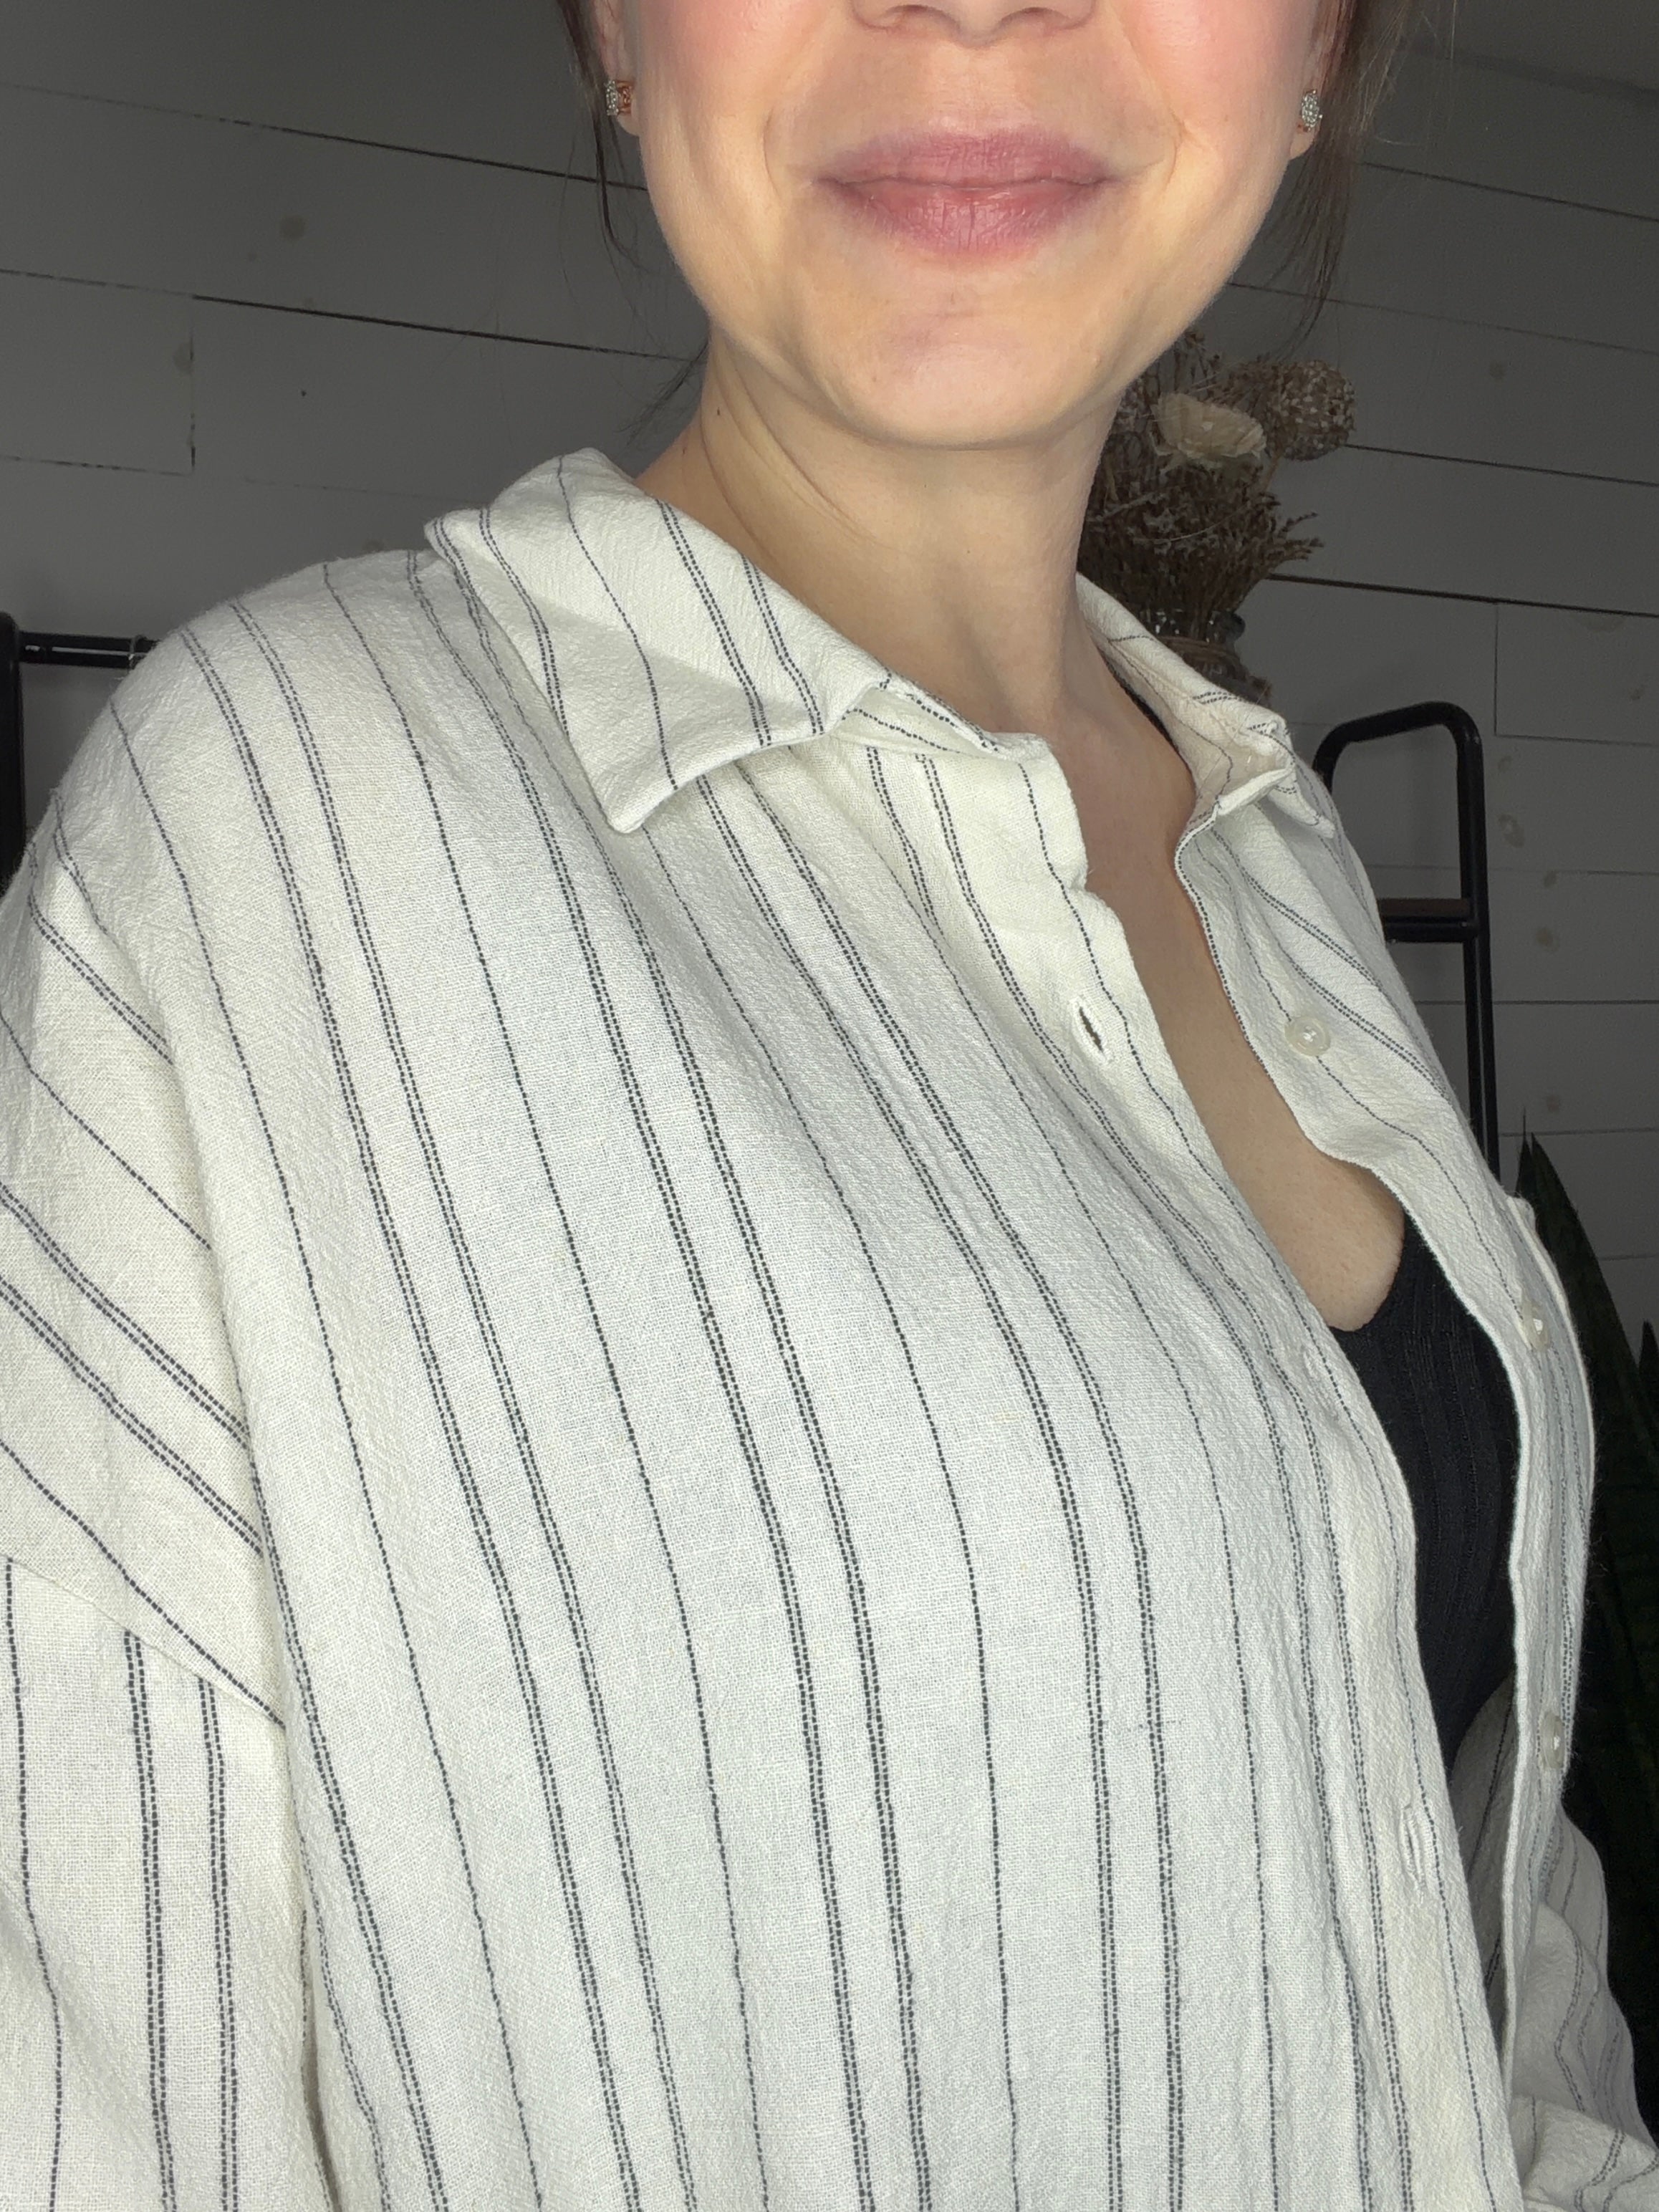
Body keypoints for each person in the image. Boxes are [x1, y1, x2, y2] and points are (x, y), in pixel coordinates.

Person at [1, 0, 1651, 2201]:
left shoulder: (1274, 854)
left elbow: (1475, 1896)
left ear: (1314, 59)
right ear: (613, 36)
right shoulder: (271, 830)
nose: (972, 5)